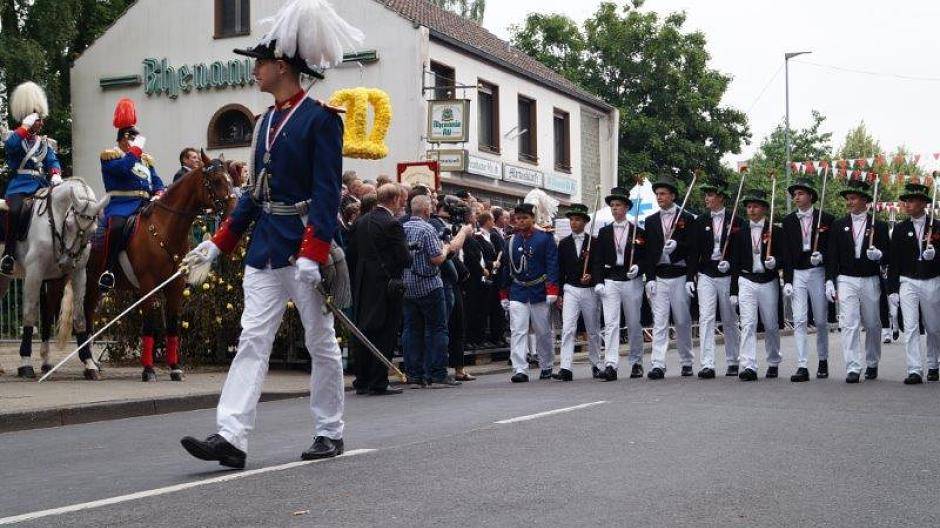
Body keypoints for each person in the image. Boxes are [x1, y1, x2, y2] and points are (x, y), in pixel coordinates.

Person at [178, 0, 362, 468]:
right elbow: (253, 194)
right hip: (264, 247)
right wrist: (217, 243)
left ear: (282, 66)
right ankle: (231, 436)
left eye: (259, 62)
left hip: (303, 245)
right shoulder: (262, 123)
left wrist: (314, 250)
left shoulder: (322, 119)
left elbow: (327, 193)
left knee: (320, 341)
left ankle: (329, 430)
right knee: (252, 339)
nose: (254, 69)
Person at [347, 183, 411, 395]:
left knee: (363, 331)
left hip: (362, 284)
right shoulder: (392, 224)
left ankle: (362, 379)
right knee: (385, 332)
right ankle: (378, 381)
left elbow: (351, 254)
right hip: (386, 286)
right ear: (395, 199)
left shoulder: (361, 221)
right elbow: (404, 258)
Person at [402, 194, 471, 387]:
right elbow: (437, 259)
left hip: (407, 285)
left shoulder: (402, 227)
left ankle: (414, 374)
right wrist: (446, 248)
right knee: (437, 329)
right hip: (429, 285)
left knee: (412, 330)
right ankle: (437, 373)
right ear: (426, 210)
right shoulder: (428, 229)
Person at [97, 97, 165, 291]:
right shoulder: (110, 156)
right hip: (122, 204)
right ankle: (108, 270)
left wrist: (159, 193)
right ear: (122, 139)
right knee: (117, 227)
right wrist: (134, 151)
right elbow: (123, 169)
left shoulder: (145, 160)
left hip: (146, 203)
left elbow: (156, 181)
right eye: (131, 138)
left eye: (136, 139)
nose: (136, 143)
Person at [826, 178, 890, 383]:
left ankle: (872, 362)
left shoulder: (879, 225)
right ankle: (853, 366)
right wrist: (830, 280)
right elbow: (832, 256)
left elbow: (889, 255)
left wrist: (880, 255)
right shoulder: (838, 225)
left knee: (872, 323)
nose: (849, 202)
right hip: (846, 278)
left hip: (870, 278)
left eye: (853, 198)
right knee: (849, 323)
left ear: (864, 200)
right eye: (848, 199)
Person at [1, 82, 62, 276]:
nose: (41, 123)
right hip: (20, 186)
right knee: (15, 210)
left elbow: (52, 160)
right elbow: (10, 148)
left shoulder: (44, 142)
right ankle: (9, 253)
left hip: (42, 186)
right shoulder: (14, 138)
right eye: (37, 119)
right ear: (28, 119)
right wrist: (24, 127)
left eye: (41, 119)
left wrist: (56, 174)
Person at [687, 175, 741, 378]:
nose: (706, 198)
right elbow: (693, 252)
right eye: (706, 195)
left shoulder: (736, 221)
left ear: (721, 197)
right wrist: (689, 277)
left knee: (729, 318)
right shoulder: (700, 221)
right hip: (706, 274)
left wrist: (732, 265)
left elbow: (741, 251)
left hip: (727, 275)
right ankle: (707, 364)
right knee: (706, 318)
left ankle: (733, 361)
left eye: (710, 195)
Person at [782, 176, 835, 382]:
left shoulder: (826, 219)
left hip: (817, 271)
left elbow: (833, 250)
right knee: (799, 319)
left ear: (811, 196)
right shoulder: (788, 221)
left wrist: (823, 256)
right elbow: (787, 253)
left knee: (820, 320)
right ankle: (802, 365)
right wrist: (788, 280)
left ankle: (823, 360)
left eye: (800, 193)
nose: (796, 197)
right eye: (794, 194)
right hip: (798, 273)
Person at [644, 171, 695, 380]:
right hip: (660, 275)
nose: (659, 197)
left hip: (679, 274)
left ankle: (686, 361)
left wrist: (678, 246)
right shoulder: (650, 221)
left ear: (673, 195)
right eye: (657, 194)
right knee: (660, 321)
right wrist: (650, 278)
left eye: (663, 193)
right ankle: (658, 363)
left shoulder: (686, 218)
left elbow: (692, 249)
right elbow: (648, 253)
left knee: (682, 320)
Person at [499, 202, 559, 382]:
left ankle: (546, 364)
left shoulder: (545, 238)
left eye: (525, 218)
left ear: (533, 218)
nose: (521, 221)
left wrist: (552, 288)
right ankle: (520, 368)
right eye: (518, 219)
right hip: (518, 290)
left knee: (543, 331)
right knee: (518, 330)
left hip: (539, 290)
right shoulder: (511, 241)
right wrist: (503, 293)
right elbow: (506, 268)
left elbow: (552, 264)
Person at [592, 187, 647, 381]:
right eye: (612, 205)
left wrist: (639, 267)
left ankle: (636, 362)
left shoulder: (638, 232)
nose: (614, 208)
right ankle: (611, 364)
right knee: (611, 323)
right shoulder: (604, 232)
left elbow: (646, 257)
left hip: (631, 279)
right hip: (611, 279)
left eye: (618, 205)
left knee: (633, 322)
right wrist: (598, 281)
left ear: (626, 208)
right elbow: (597, 259)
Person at [730, 189, 785, 381]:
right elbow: (735, 262)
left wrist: (775, 262)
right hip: (746, 279)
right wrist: (733, 290)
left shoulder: (775, 231)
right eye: (748, 207)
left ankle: (773, 361)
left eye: (755, 206)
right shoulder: (739, 233)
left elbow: (784, 257)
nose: (751, 210)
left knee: (771, 324)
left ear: (764, 208)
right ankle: (748, 365)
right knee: (747, 323)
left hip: (768, 280)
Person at [888, 182, 940, 385]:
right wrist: (892, 289)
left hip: (932, 280)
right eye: (905, 201)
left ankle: (933, 364)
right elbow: (894, 261)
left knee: (933, 327)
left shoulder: (937, 226)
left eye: (911, 201)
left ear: (923, 203)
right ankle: (914, 369)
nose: (906, 205)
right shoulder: (900, 229)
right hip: (908, 281)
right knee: (910, 326)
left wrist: (935, 255)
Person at [556, 203, 603, 381]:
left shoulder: (594, 242)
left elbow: (598, 265)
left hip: (589, 290)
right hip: (571, 289)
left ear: (585, 222)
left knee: (592, 329)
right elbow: (560, 269)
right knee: (568, 328)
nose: (573, 223)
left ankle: (596, 364)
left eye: (577, 219)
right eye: (571, 219)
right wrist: (559, 293)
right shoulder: (564, 243)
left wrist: (591, 277)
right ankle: (565, 367)